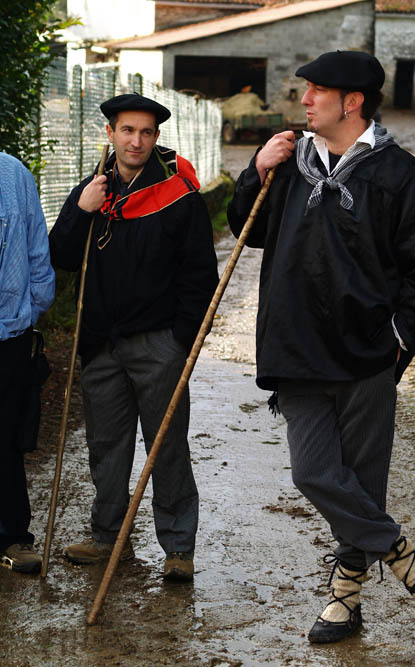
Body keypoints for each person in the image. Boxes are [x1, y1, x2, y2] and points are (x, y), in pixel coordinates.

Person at [227, 51, 415, 643]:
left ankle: (344, 602)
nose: (304, 100)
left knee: (363, 485)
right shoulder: (288, 165)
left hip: (367, 356)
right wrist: (256, 169)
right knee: (314, 473)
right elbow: (246, 230)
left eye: (317, 91)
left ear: (352, 102)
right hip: (296, 350)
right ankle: (412, 565)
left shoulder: (400, 175)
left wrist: (399, 341)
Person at [49, 93, 219, 581]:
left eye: (146, 132)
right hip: (100, 345)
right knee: (106, 446)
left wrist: (180, 341)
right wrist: (81, 210)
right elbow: (60, 256)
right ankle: (108, 539)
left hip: (158, 345)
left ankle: (178, 548)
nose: (136, 141)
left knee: (166, 447)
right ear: (110, 133)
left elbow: (199, 276)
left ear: (156, 137)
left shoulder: (179, 194)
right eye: (127, 130)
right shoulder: (93, 190)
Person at [0, 152, 55, 573]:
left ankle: (12, 535)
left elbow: (38, 247)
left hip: (9, 332)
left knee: (5, 435)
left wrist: (30, 309)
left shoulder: (13, 174)